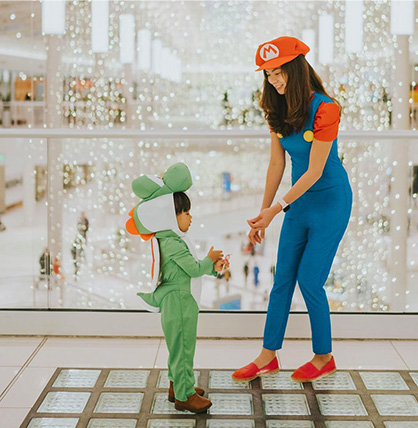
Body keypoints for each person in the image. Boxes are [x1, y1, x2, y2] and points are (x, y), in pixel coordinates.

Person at [232, 36, 352, 383]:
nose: (274, 80)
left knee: (310, 280)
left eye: (279, 72)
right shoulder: (276, 108)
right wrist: (264, 212)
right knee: (282, 278)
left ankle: (323, 356)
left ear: (296, 69)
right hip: (298, 203)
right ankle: (268, 355)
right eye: (268, 74)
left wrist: (277, 208)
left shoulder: (326, 108)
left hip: (330, 202)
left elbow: (315, 171)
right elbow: (275, 165)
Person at [126, 163, 228, 413]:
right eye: (186, 213)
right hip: (180, 301)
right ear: (170, 216)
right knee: (183, 348)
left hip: (181, 300)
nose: (190, 217)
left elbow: (192, 269)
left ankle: (178, 385)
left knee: (179, 347)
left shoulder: (171, 239)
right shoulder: (171, 242)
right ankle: (184, 395)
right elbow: (193, 269)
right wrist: (210, 258)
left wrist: (214, 267)